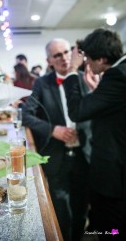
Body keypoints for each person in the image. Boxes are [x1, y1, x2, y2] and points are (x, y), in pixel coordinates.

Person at [22, 38, 92, 241]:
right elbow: (26, 115)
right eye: (57, 55)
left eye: (67, 52)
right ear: (49, 61)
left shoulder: (84, 78)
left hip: (83, 154)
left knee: (81, 208)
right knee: (60, 209)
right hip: (56, 155)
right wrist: (53, 130)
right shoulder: (42, 83)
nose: (65, 57)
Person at [63, 28, 126, 240]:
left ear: (101, 59)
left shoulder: (118, 77)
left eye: (88, 59)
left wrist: (72, 71)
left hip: (114, 172)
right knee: (102, 221)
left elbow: (78, 111)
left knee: (110, 227)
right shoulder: (119, 73)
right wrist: (97, 91)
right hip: (114, 164)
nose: (86, 64)